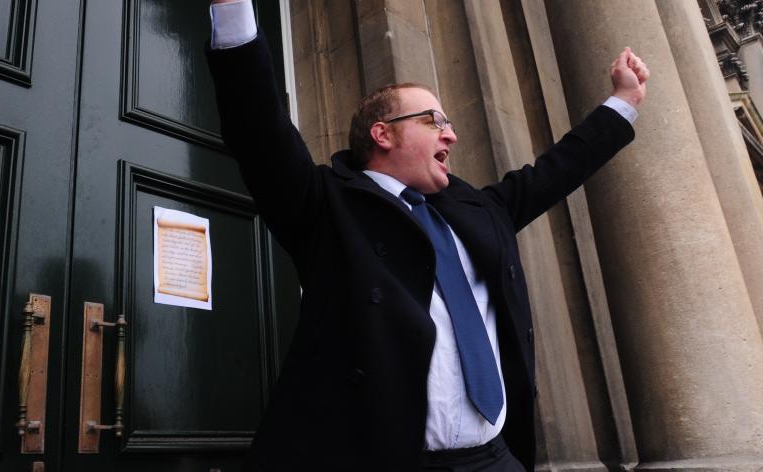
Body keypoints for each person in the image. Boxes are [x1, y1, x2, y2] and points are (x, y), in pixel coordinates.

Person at [205, 1, 648, 471]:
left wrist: (623, 102)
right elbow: (258, 127)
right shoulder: (325, 206)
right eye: (433, 121)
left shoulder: (481, 210)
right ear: (383, 134)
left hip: (495, 459)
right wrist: (233, 9)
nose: (451, 136)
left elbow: (556, 171)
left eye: (450, 123)